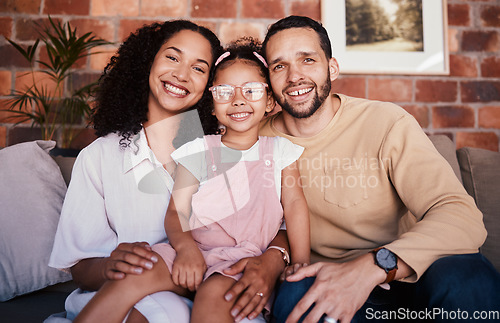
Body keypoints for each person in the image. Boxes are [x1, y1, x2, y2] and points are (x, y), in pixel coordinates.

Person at [258, 16, 500, 323]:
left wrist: (374, 266)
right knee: (296, 297)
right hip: (331, 283)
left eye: (307, 60)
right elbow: (192, 149)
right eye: (279, 65)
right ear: (268, 77)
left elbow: (462, 217)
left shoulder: (385, 122)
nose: (295, 76)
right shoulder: (256, 137)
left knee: (470, 279)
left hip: (410, 272)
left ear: (332, 67)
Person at [47, 21, 288, 323]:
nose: (182, 74)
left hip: (215, 289)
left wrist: (273, 261)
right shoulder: (100, 157)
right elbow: (80, 269)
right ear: (148, 62)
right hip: (125, 298)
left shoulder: (232, 150)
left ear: (212, 88)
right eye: (172, 58)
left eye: (199, 68)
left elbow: (275, 220)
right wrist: (109, 265)